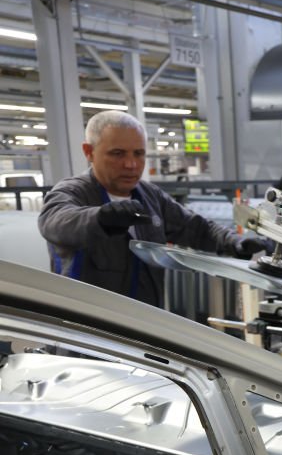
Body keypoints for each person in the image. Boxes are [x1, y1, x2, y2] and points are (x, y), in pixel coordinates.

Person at [38, 110, 265, 308]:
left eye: (138, 153)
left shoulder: (150, 196)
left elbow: (196, 228)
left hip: (145, 324)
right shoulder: (73, 192)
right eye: (117, 153)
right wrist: (100, 218)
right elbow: (55, 221)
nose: (131, 164)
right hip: (88, 330)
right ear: (89, 152)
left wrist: (234, 242)